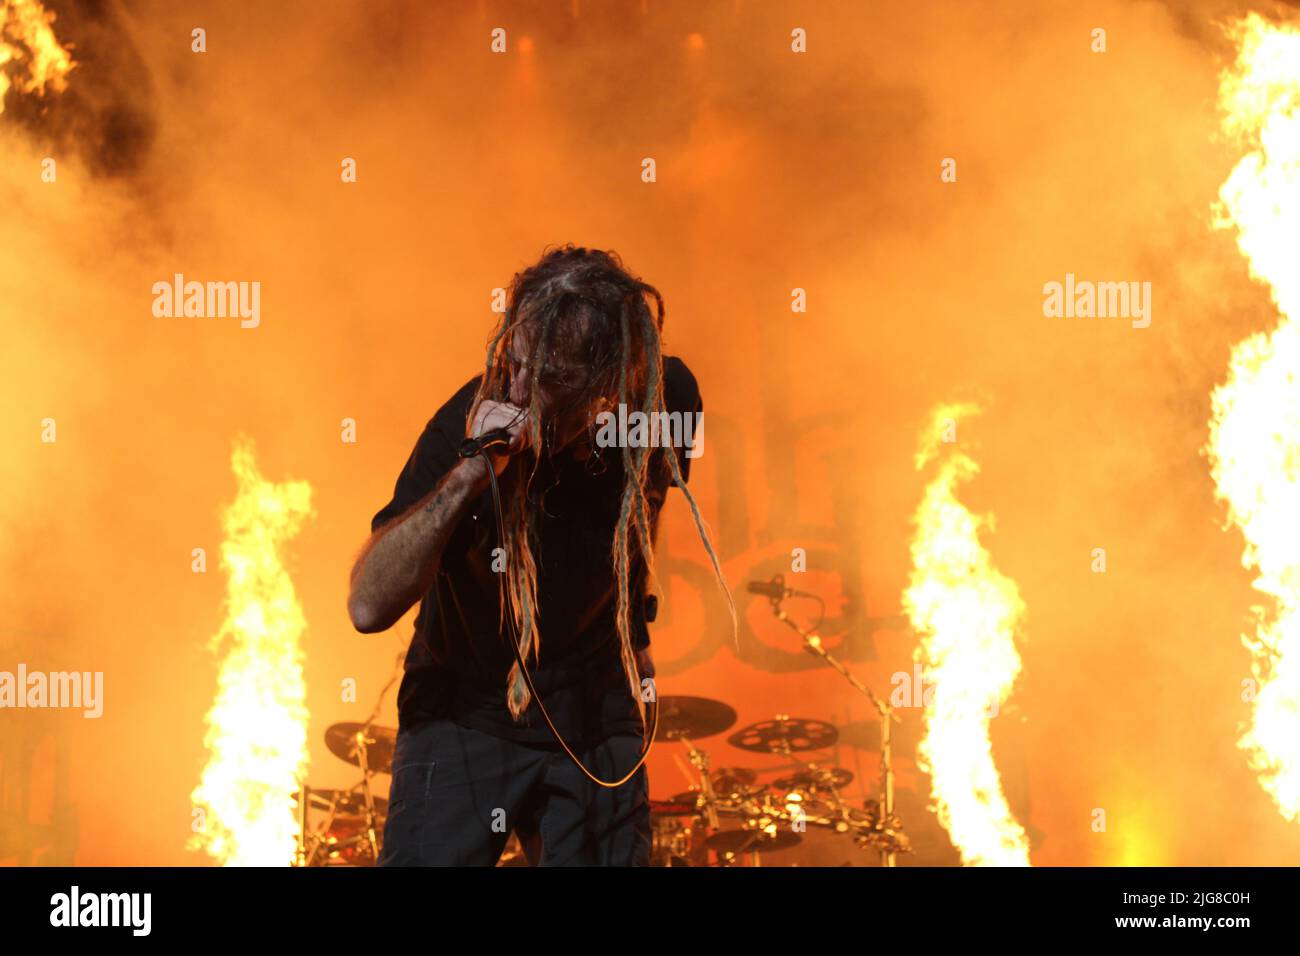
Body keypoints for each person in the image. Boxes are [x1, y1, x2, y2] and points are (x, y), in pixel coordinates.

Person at [347, 244, 731, 865]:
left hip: (592, 711)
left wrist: (633, 627)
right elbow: (367, 606)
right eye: (516, 363)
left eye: (552, 379)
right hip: (464, 712)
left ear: (613, 381)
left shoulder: (669, 399)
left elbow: (640, 513)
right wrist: (471, 476)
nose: (521, 390)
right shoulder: (467, 423)